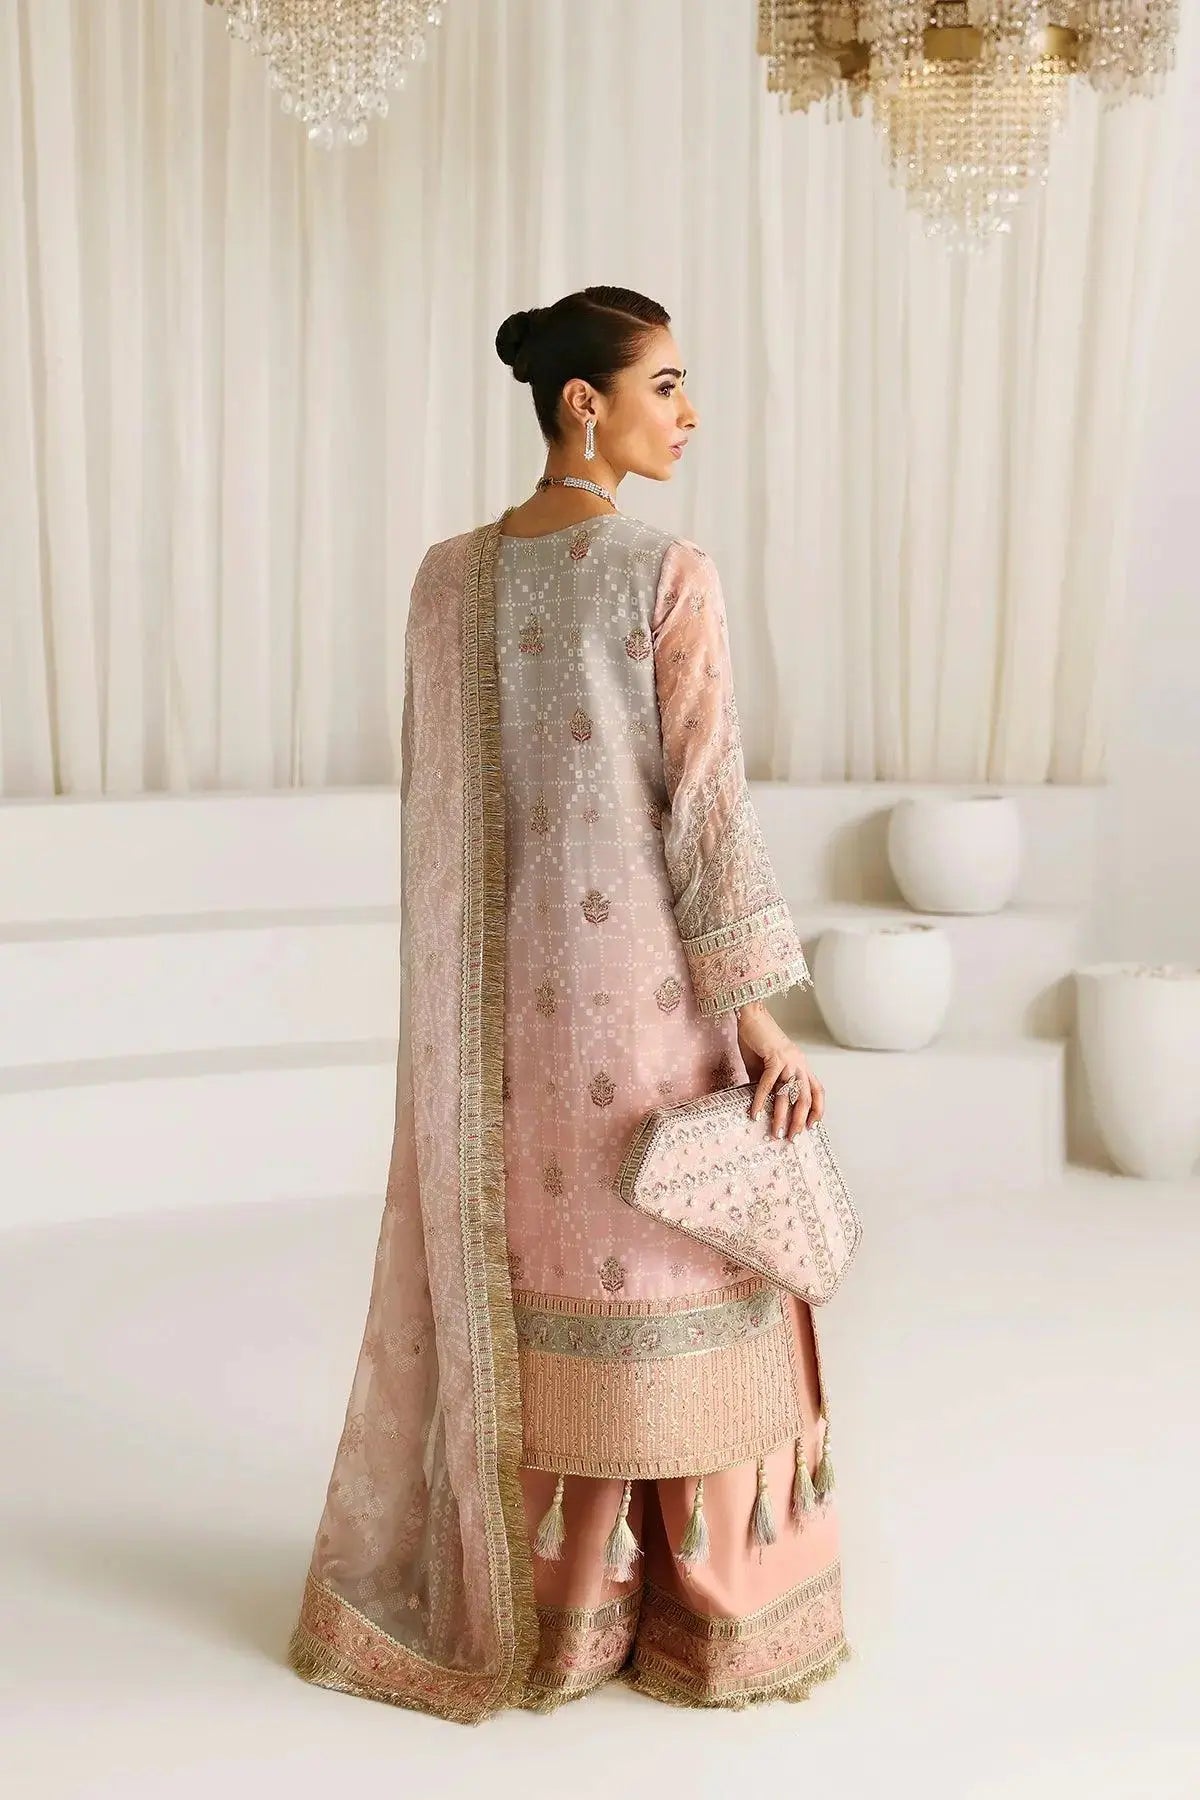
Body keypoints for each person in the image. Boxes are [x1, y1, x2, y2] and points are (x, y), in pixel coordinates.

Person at [286, 285, 851, 1720]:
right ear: (583, 404)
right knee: (672, 1264)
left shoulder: (445, 581)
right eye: (667, 385)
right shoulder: (668, 573)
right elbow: (704, 810)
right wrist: (759, 1016)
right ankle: (704, 1612)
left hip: (505, 1036)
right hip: (650, 1000)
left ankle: (565, 1608)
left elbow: (438, 826)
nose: (691, 414)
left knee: (554, 1268)